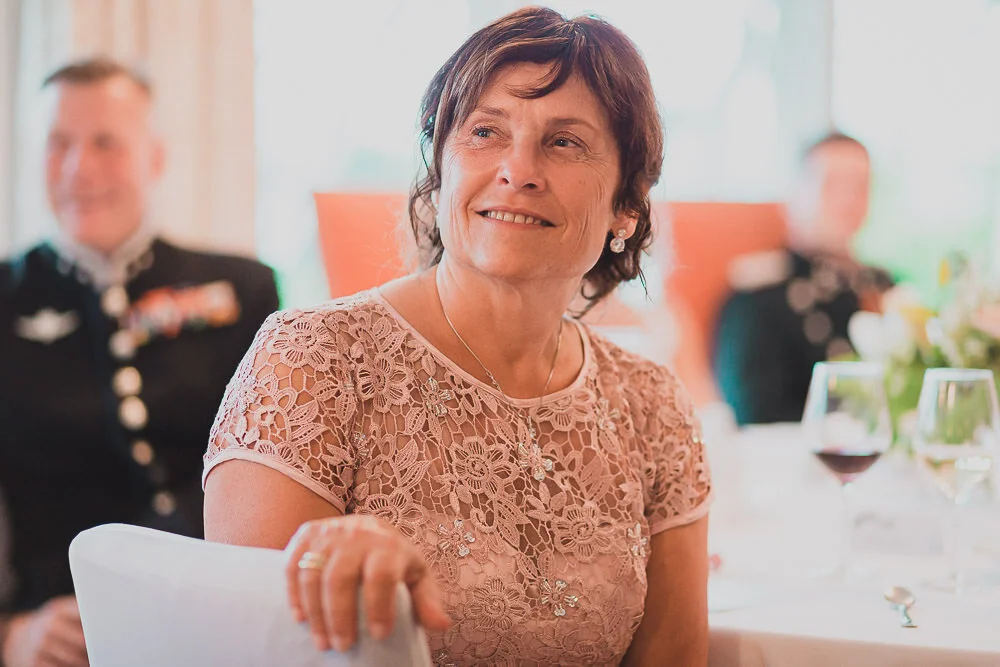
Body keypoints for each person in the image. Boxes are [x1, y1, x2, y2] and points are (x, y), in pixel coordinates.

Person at [204, 8, 712, 665]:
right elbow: (245, 649)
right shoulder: (312, 361)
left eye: (564, 142)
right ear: (440, 170)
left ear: (627, 208)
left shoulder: (652, 405)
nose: (518, 170)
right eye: (485, 132)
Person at [0, 58, 279, 666]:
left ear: (155, 157)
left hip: (217, 624)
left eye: (106, 142)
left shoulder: (243, 290)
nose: (79, 167)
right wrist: (9, 634)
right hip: (61, 638)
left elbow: (273, 471)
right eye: (58, 144)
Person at [713, 131, 893, 425]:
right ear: (793, 195)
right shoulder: (761, 296)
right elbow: (755, 414)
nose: (848, 200)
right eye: (831, 184)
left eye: (861, 186)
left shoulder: (884, 287)